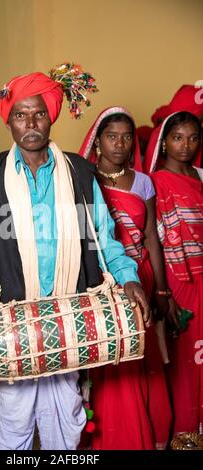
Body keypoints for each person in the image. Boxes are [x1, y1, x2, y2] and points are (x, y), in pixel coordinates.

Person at [0, 70, 150, 451]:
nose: (30, 124)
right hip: (18, 313)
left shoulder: (78, 172)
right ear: (9, 120)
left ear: (51, 117)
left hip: (70, 313)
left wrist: (129, 277)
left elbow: (103, 235)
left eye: (38, 114)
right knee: (15, 415)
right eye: (20, 115)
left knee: (67, 413)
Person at [79, 106, 172, 450]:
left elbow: (151, 236)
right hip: (100, 281)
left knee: (140, 358)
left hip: (139, 276)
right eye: (111, 136)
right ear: (98, 141)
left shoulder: (143, 182)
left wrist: (161, 288)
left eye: (126, 137)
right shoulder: (82, 178)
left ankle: (145, 432)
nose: (119, 144)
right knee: (107, 359)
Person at [146, 110, 203, 436]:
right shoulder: (154, 183)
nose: (186, 145)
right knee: (181, 362)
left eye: (193, 137)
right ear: (164, 142)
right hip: (174, 281)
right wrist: (162, 294)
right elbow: (153, 237)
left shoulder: (201, 177)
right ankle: (183, 432)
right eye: (178, 138)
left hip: (202, 278)